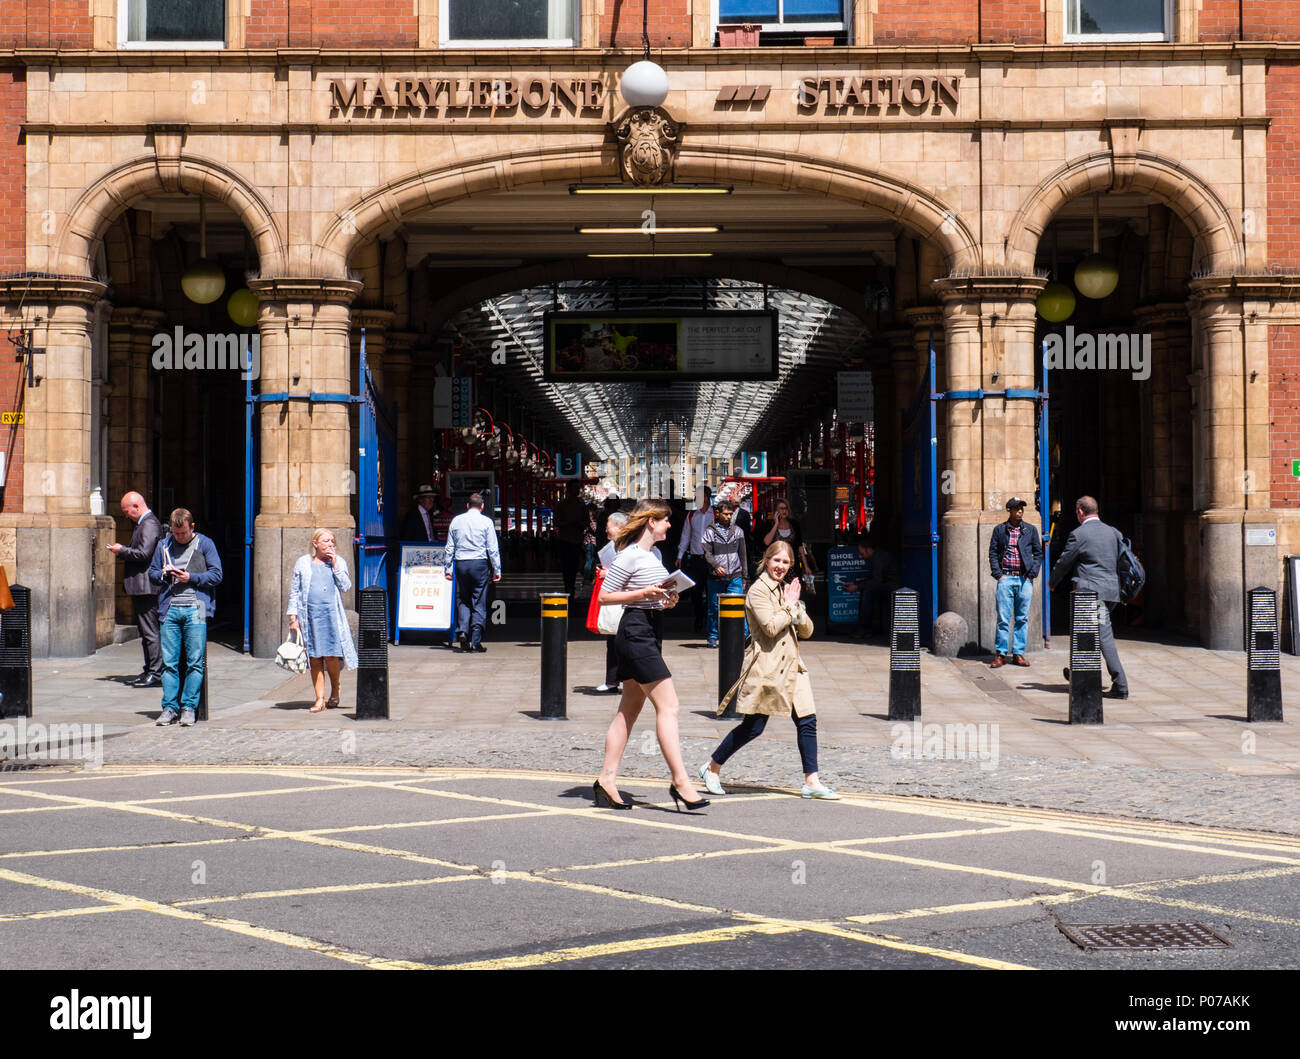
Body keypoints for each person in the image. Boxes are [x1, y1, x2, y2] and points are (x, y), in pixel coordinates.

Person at [700, 541, 840, 800]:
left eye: (786, 563)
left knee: (807, 721)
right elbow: (770, 627)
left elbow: (807, 631)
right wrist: (789, 605)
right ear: (766, 561)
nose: (781, 567)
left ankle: (812, 781)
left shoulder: (785, 591)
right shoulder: (758, 591)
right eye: (777, 561)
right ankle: (712, 767)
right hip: (768, 667)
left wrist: (796, 605)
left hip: (793, 667)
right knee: (754, 727)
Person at [595, 499, 708, 812]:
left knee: (627, 711)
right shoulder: (629, 555)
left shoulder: (652, 555)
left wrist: (664, 600)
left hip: (649, 628)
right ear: (650, 522)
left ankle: (606, 779)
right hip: (635, 633)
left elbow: (651, 595)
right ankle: (680, 780)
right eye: (665, 520)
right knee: (669, 706)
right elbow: (606, 596)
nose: (669, 526)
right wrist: (644, 594)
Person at [148, 509, 223, 727]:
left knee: (195, 662)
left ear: (192, 527)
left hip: (196, 607)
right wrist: (163, 573)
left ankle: (189, 707)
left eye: (183, 533)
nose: (179, 537)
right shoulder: (164, 546)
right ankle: (170, 708)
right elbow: (152, 573)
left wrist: (191, 577)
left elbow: (217, 574)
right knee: (169, 663)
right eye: (175, 533)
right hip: (169, 609)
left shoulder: (205, 544)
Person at [1050, 495, 1129, 699]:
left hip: (1091, 594)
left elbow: (1064, 561)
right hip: (1111, 591)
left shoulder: (1079, 534)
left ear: (1080, 512)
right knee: (1085, 633)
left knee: (1102, 636)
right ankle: (1078, 673)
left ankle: (1120, 684)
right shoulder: (1114, 532)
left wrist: (1052, 582)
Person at [287, 529, 358, 712]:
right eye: (326, 541)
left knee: (331, 655)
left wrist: (334, 564)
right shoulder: (303, 562)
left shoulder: (338, 561)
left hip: (331, 615)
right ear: (315, 543)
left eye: (332, 541)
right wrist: (293, 617)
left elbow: (345, 586)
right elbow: (295, 591)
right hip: (310, 615)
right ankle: (320, 698)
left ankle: (335, 687)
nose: (330, 544)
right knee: (315, 657)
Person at [107, 491, 164, 688]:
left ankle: (155, 673)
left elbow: (144, 553)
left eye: (127, 511)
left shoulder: (149, 524)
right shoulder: (143, 523)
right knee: (146, 630)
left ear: (137, 507)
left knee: (150, 631)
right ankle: (149, 669)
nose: (125, 515)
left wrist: (121, 550)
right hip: (142, 587)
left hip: (147, 587)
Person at [988, 496, 1043, 668]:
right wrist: (999, 575)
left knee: (1022, 618)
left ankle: (1018, 654)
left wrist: (1032, 574)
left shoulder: (1030, 530)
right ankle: (1001, 654)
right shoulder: (999, 530)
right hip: (1006, 578)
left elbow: (1038, 553)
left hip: (1024, 579)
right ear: (1009, 510)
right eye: (1016, 508)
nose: (1020, 511)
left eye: (1021, 508)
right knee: (1003, 618)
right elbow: (993, 552)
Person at [444, 492, 502, 652]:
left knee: (462, 599)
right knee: (479, 600)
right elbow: (492, 548)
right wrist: (497, 569)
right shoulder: (486, 522)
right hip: (479, 564)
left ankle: (463, 631)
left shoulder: (456, 521)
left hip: (461, 563)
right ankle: (476, 641)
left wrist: (448, 568)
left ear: (467, 506)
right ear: (482, 507)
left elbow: (450, 547)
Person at [702, 499, 748, 648]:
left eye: (730, 514)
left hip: (735, 575)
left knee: (738, 606)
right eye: (725, 514)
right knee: (714, 607)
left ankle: (743, 635)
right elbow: (707, 553)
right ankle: (713, 636)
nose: (728, 517)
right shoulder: (709, 532)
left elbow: (743, 555)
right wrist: (715, 566)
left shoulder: (738, 531)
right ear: (718, 513)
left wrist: (744, 576)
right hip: (715, 577)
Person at [844, 533, 901, 639]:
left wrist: (858, 586)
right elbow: (873, 579)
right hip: (886, 584)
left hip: (892, 586)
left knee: (868, 592)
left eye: (862, 553)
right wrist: (856, 584)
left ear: (869, 549)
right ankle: (866, 627)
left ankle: (865, 628)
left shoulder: (878, 558)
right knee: (867, 589)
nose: (861, 556)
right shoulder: (876, 557)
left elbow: (876, 581)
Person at [675, 486, 714, 634]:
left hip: (713, 560)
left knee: (711, 592)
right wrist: (680, 555)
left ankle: (711, 622)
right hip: (697, 559)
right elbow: (686, 536)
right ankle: (699, 617)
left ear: (705, 497)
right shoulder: (692, 515)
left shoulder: (716, 514)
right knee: (696, 592)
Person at [761, 499, 812, 582]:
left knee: (793, 590)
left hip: (792, 564)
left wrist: (806, 566)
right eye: (781, 508)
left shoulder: (794, 524)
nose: (784, 511)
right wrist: (776, 524)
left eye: (786, 508)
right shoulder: (770, 524)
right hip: (776, 565)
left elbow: (800, 546)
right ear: (776, 511)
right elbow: (766, 542)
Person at [554, 481, 588, 596]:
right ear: (568, 490)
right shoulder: (562, 504)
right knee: (566, 565)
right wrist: (569, 523)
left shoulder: (581, 504)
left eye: (578, 488)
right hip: (565, 540)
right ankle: (568, 586)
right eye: (575, 488)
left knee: (573, 565)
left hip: (576, 539)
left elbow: (586, 521)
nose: (577, 490)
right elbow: (557, 522)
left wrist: (579, 524)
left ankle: (570, 586)